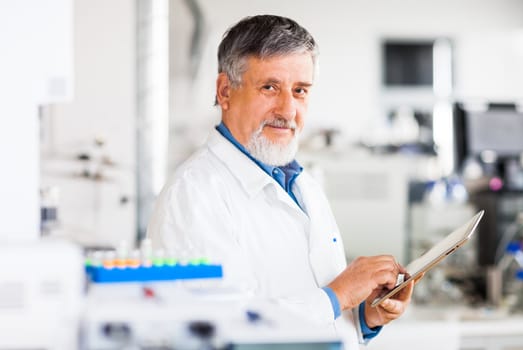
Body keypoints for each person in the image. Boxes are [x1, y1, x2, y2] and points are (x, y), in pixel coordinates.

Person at [147, 14, 414, 346]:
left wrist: (364, 315)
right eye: (270, 87)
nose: (288, 110)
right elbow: (213, 332)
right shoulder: (193, 194)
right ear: (225, 91)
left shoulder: (301, 182)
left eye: (300, 90)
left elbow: (319, 316)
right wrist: (337, 295)